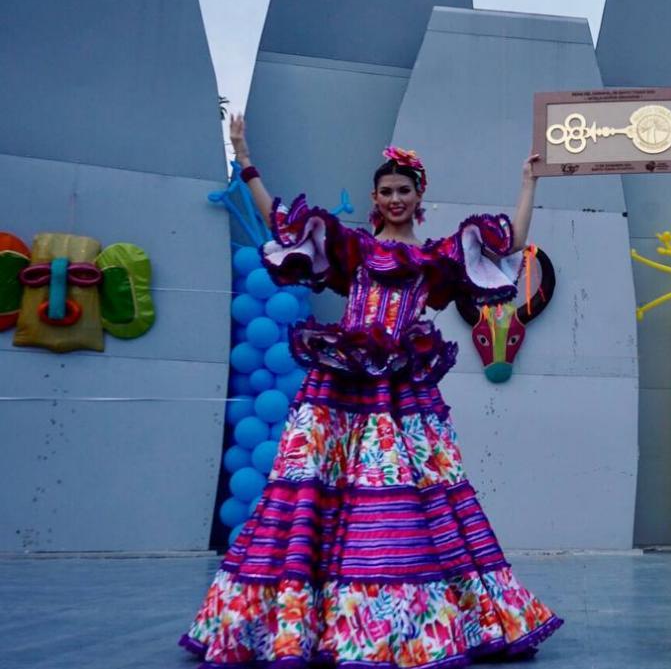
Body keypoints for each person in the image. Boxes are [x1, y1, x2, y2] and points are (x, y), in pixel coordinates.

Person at [181, 115, 561, 668]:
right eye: (386, 191)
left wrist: (529, 183)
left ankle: (406, 624)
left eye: (404, 190)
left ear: (418, 194)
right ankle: (302, 622)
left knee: (416, 494)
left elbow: (513, 246)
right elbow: (283, 225)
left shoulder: (435, 258)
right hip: (340, 385)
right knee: (312, 489)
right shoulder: (352, 248)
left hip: (401, 392)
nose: (395, 198)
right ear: (375, 198)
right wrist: (244, 156)